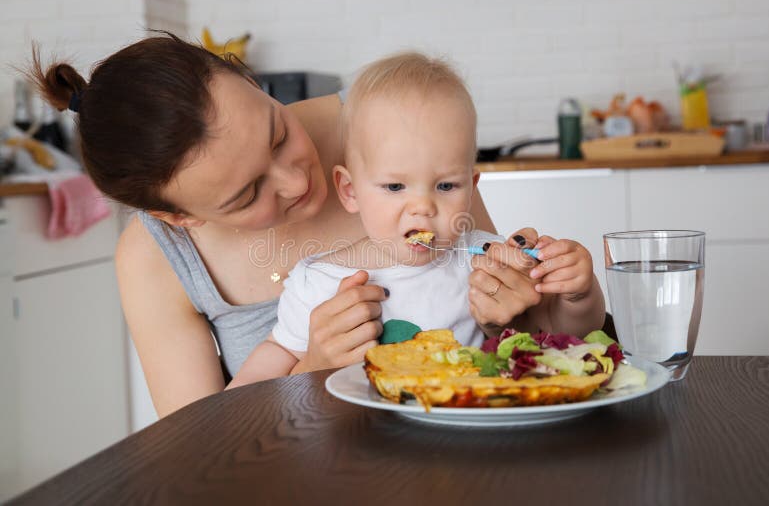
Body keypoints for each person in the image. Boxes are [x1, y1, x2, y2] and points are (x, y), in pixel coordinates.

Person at [28, 33, 605, 417]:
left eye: (277, 132)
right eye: (249, 193)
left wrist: (524, 291)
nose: (296, 181)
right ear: (177, 217)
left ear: (253, 83)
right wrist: (310, 369)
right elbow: (197, 453)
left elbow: (523, 322)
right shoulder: (153, 259)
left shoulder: (385, 124)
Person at [229, 52, 606, 388]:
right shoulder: (317, 283)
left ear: (471, 188)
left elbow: (566, 333)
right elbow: (259, 381)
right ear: (350, 191)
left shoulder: (484, 259)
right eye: (395, 186)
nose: (422, 207)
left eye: (445, 185)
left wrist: (578, 294)